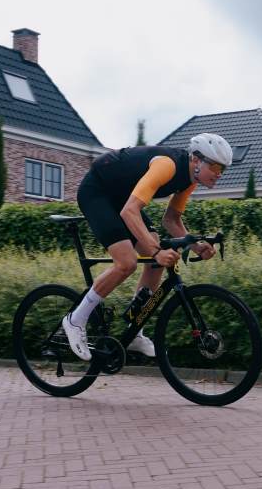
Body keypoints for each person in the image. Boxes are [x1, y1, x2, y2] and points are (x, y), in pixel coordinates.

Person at [62, 133, 233, 360]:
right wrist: (155, 250)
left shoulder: (191, 179)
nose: (219, 174)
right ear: (196, 160)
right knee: (127, 262)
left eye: (223, 169)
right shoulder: (167, 165)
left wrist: (197, 247)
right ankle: (75, 320)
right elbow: (129, 212)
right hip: (98, 192)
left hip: (122, 198)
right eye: (216, 166)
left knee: (156, 264)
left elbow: (171, 220)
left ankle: (135, 332)